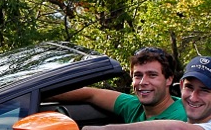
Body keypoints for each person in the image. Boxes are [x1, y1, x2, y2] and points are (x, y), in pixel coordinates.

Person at [81, 56, 211, 130]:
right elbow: (91, 93)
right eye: (189, 87)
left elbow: (176, 129)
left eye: (204, 90)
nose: (193, 97)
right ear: (180, 86)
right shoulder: (188, 127)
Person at [50, 47, 186, 123]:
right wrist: (36, 94)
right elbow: (90, 94)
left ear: (168, 79)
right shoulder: (133, 106)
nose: (143, 82)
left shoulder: (182, 115)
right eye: (138, 76)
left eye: (152, 75)